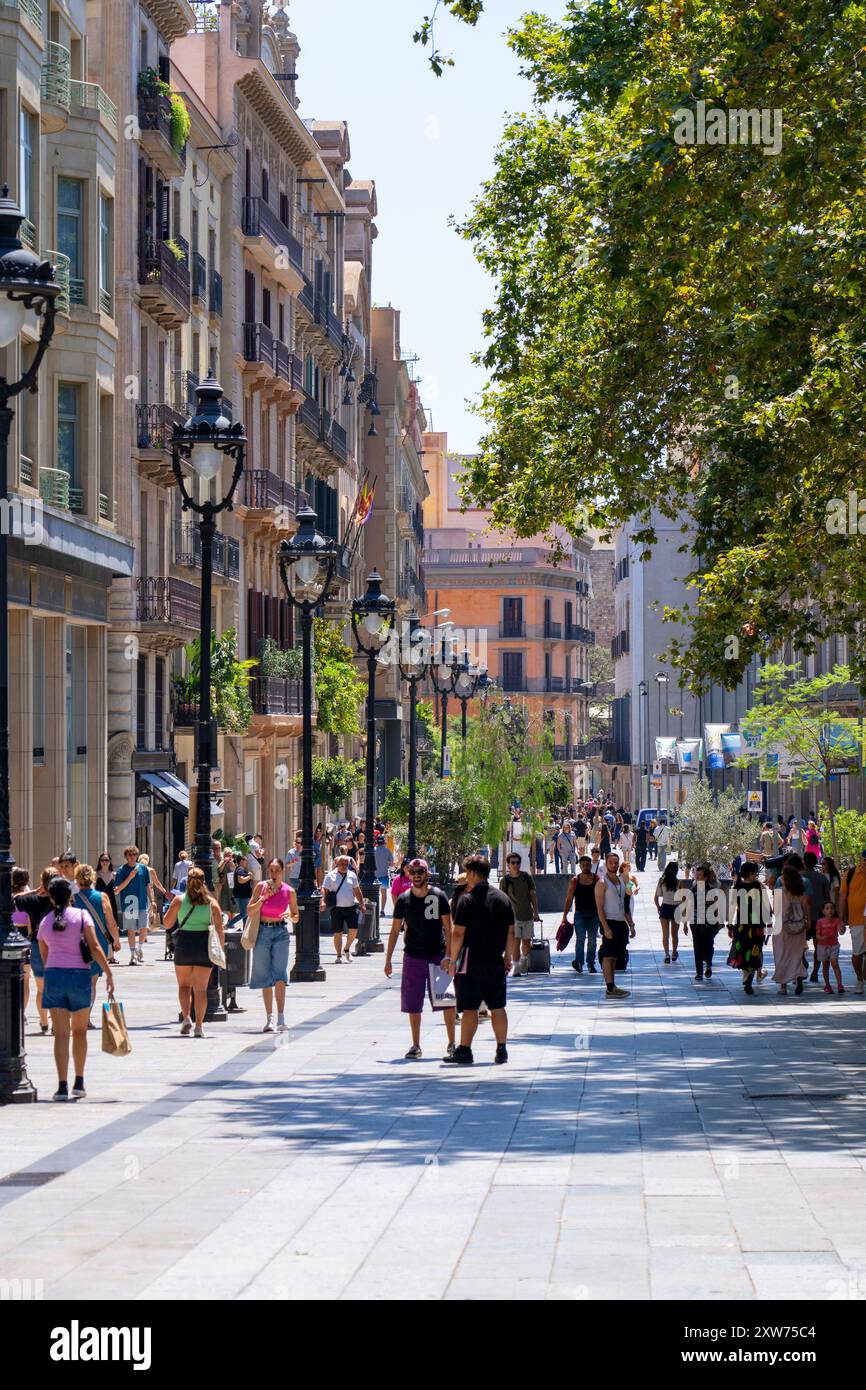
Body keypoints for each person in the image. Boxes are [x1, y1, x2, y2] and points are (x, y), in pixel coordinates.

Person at [38, 875, 114, 1100]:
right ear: (71, 896)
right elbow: (95, 947)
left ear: (51, 898)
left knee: (61, 1034)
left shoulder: (46, 922)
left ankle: (62, 1085)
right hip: (79, 976)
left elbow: (44, 955)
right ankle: (79, 1082)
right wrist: (108, 973)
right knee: (80, 1032)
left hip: (54, 976)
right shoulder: (81, 916)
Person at [443, 856, 515, 1065]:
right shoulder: (503, 898)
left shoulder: (467, 899)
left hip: (471, 960)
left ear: (473, 873)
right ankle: (501, 1049)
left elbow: (458, 934)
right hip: (494, 960)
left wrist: (452, 960)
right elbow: (512, 931)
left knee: (469, 1008)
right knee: (497, 1006)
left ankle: (465, 1050)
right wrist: (508, 957)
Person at [385, 857, 456, 1059]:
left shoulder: (439, 896)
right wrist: (388, 959)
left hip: (438, 955)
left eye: (420, 872)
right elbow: (395, 930)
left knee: (446, 1001)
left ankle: (452, 1043)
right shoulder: (404, 899)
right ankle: (415, 1045)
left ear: (427, 874)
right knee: (413, 1002)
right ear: (409, 874)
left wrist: (449, 956)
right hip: (413, 956)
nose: (416, 875)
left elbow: (448, 928)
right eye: (413, 872)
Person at [163, 867, 225, 1038]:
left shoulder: (179, 900)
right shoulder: (212, 903)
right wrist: (221, 950)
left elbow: (167, 923)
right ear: (204, 882)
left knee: (184, 986)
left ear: (187, 882)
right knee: (200, 989)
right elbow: (220, 929)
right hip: (203, 946)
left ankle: (186, 1018)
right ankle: (199, 1026)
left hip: (184, 944)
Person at [246, 858, 298, 1032]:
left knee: (280, 975)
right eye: (271, 870)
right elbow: (250, 911)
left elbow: (296, 915)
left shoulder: (289, 891)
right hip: (263, 933)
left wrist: (289, 914)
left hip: (281, 933)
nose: (274, 874)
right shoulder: (261, 887)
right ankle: (269, 1018)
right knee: (265, 976)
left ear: (282, 871)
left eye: (277, 870)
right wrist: (263, 898)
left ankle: (281, 1017)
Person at [73, 862, 120, 1029]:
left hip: (77, 942)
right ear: (92, 878)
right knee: (92, 982)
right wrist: (115, 940)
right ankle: (85, 1017)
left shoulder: (73, 898)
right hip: (97, 942)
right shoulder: (102, 897)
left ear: (77, 879)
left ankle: (77, 1013)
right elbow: (111, 922)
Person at [15, 866, 54, 1033]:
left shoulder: (33, 901)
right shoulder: (63, 901)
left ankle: (44, 1022)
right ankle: (55, 1023)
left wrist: (35, 891)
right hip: (59, 947)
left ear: (42, 883)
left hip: (38, 946)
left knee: (41, 989)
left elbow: (14, 898)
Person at [727, 861, 771, 995]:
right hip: (757, 925)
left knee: (743, 950)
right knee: (755, 950)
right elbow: (767, 906)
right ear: (750, 873)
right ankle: (749, 977)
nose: (756, 875)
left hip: (741, 926)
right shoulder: (759, 886)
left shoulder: (737, 886)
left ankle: (747, 975)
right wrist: (769, 922)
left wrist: (730, 925)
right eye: (755, 873)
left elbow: (732, 908)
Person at [595, 851, 634, 1000]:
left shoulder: (621, 881)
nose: (614, 865)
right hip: (609, 922)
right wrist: (605, 928)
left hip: (620, 923)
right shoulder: (602, 883)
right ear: (606, 863)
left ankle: (613, 986)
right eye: (611, 862)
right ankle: (610, 987)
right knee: (608, 955)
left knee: (616, 956)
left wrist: (631, 924)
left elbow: (624, 905)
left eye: (616, 862)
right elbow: (599, 908)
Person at [773, 863, 809, 996]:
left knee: (782, 954)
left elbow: (775, 910)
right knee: (797, 955)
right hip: (799, 926)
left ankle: (783, 987)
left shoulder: (780, 891)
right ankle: (798, 976)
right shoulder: (800, 891)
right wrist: (807, 920)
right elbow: (805, 905)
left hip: (783, 927)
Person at [501, 851, 540, 976]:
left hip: (527, 914)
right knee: (515, 942)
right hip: (513, 917)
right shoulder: (505, 880)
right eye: (513, 863)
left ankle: (524, 959)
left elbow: (533, 895)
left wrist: (536, 912)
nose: (516, 865)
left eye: (517, 862)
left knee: (527, 942)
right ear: (508, 865)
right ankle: (516, 967)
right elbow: (502, 898)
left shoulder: (526, 877)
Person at [560, 855, 600, 974]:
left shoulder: (596, 879)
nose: (585, 867)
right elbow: (569, 898)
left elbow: (600, 897)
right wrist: (565, 915)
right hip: (580, 915)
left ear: (590, 865)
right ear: (580, 866)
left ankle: (591, 964)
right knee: (580, 939)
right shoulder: (575, 880)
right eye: (583, 865)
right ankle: (579, 962)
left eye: (587, 865)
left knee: (592, 940)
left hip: (594, 914)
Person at [322, 853, 365, 962]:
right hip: (336, 909)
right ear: (337, 863)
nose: (344, 866)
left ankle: (346, 949)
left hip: (350, 907)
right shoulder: (330, 876)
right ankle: (338, 956)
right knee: (338, 933)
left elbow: (357, 890)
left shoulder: (352, 875)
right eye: (342, 864)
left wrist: (362, 903)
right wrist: (322, 901)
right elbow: (324, 890)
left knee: (354, 930)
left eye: (346, 864)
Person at [115, 845, 154, 965]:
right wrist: (130, 877)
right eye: (129, 855)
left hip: (142, 901)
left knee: (144, 927)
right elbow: (117, 889)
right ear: (126, 857)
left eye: (134, 855)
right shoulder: (122, 870)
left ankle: (139, 948)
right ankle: (132, 955)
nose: (132, 857)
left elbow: (148, 885)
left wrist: (152, 900)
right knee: (131, 930)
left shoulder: (143, 868)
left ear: (137, 856)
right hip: (129, 902)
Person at [688, 865, 725, 982]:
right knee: (697, 947)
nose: (696, 877)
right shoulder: (692, 889)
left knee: (708, 945)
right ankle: (699, 972)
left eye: (699, 876)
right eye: (696, 875)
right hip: (695, 922)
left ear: (705, 877)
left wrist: (720, 920)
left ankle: (708, 964)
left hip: (709, 922)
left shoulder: (712, 890)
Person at [801, 851, 831, 982]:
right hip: (819, 916)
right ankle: (815, 972)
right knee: (818, 946)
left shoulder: (798, 877)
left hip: (802, 916)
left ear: (804, 862)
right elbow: (827, 898)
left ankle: (801, 966)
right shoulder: (822, 878)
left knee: (799, 945)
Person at [839, 851, 866, 994]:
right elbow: (843, 897)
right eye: (865, 861)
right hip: (857, 920)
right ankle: (860, 979)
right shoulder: (850, 875)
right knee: (857, 953)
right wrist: (842, 920)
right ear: (861, 860)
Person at [654, 860, 683, 964]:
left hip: (665, 908)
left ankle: (666, 955)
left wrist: (658, 907)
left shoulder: (662, 881)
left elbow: (656, 897)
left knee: (665, 934)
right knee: (674, 934)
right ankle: (674, 952)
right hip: (676, 908)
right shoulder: (679, 882)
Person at [815, 899, 845, 994]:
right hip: (822, 946)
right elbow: (817, 935)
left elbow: (841, 932)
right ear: (823, 911)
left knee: (835, 963)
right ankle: (827, 985)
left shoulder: (837, 921)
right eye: (827, 908)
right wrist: (822, 937)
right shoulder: (820, 922)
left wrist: (842, 928)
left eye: (832, 908)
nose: (830, 910)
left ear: (834, 910)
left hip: (834, 946)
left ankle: (840, 984)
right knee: (825, 966)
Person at [95, 854, 118, 943]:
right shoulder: (96, 874)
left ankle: (111, 952)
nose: (104, 862)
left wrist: (117, 890)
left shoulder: (114, 875)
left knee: (112, 925)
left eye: (106, 860)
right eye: (102, 860)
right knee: (101, 925)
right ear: (99, 862)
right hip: (99, 902)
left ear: (110, 862)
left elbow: (118, 888)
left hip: (111, 903)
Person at [216, 849, 238, 923]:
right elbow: (219, 870)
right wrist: (224, 862)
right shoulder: (222, 862)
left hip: (232, 884)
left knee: (233, 903)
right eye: (227, 855)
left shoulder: (234, 861)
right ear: (224, 855)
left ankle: (232, 920)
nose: (229, 856)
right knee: (224, 902)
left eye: (230, 854)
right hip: (224, 884)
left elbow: (235, 870)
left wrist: (231, 863)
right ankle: (230, 917)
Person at [374, 835, 394, 915]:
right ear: (384, 842)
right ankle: (382, 910)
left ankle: (375, 910)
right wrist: (386, 863)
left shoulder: (373, 850)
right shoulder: (387, 851)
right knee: (383, 894)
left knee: (374, 894)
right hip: (384, 875)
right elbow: (391, 863)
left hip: (374, 875)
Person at [232, 854, 253, 924]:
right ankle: (228, 925)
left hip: (244, 895)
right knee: (243, 914)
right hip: (242, 895)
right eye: (246, 860)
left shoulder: (240, 869)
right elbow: (240, 880)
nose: (247, 862)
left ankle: (245, 931)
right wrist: (249, 876)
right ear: (241, 861)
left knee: (245, 914)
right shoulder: (240, 869)